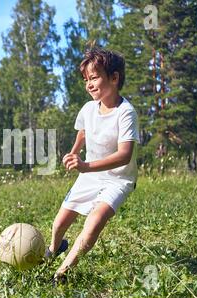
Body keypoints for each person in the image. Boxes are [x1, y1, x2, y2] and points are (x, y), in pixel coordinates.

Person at [45, 47, 140, 283]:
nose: (89, 84)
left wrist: (86, 165)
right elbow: (83, 132)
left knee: (95, 220)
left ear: (114, 78)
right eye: (86, 79)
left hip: (118, 179)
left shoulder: (126, 113)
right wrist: (74, 152)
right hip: (90, 175)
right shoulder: (88, 108)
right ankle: (54, 249)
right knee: (59, 224)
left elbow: (124, 155)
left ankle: (62, 273)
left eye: (94, 77)